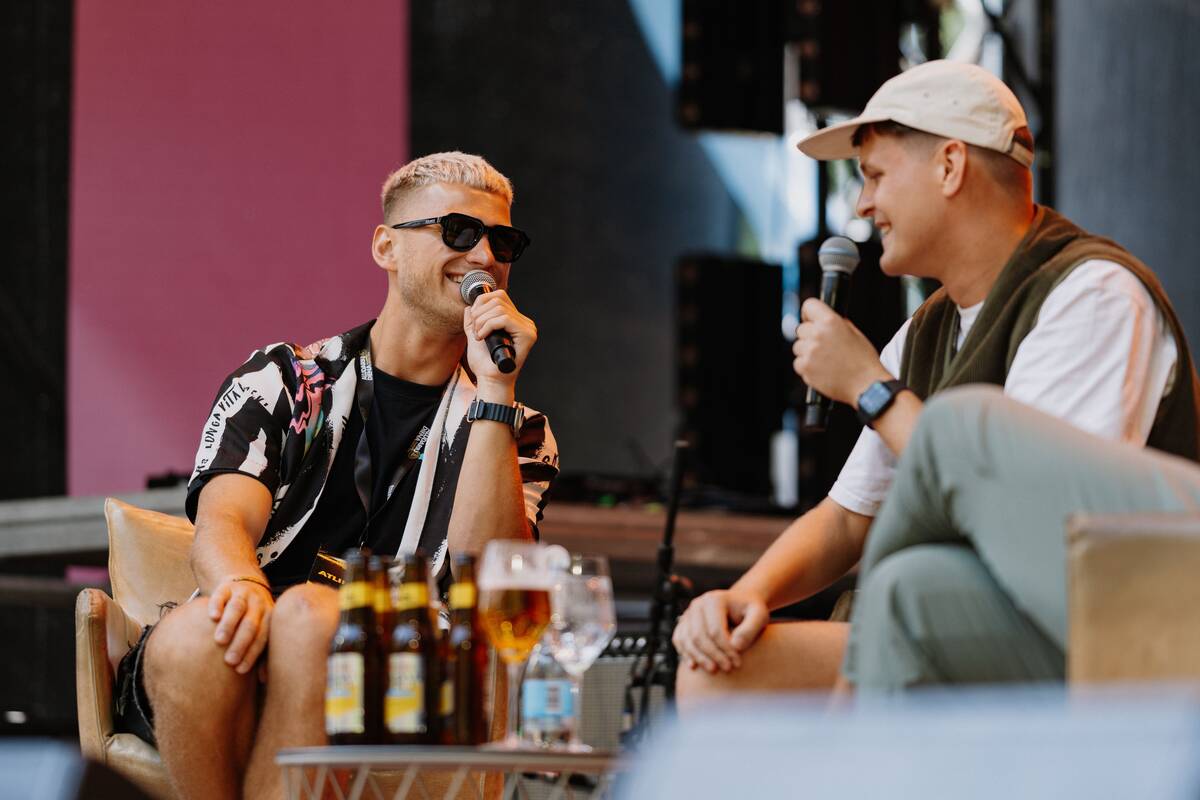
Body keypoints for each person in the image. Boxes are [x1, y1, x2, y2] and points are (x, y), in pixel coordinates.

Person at [672, 60, 1200, 702]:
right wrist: (742, 597)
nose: (862, 206)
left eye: (875, 176)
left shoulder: (1094, 296)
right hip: (950, 619)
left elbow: (1031, 519)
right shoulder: (926, 329)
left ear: (950, 167)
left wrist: (869, 387)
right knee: (717, 674)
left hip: (1095, 644)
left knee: (916, 566)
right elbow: (847, 520)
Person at [112, 152, 559, 798]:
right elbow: (222, 520)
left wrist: (495, 389)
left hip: (403, 679)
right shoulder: (286, 380)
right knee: (195, 640)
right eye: (459, 232)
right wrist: (242, 587)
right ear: (386, 247)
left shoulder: (520, 430)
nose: (485, 256)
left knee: (313, 616)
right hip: (251, 638)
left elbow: (487, 585)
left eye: (503, 241)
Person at [849, 383, 1200, 689]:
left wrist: (868, 386)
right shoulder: (920, 339)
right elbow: (845, 518)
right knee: (901, 593)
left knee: (954, 428)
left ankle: (848, 696)